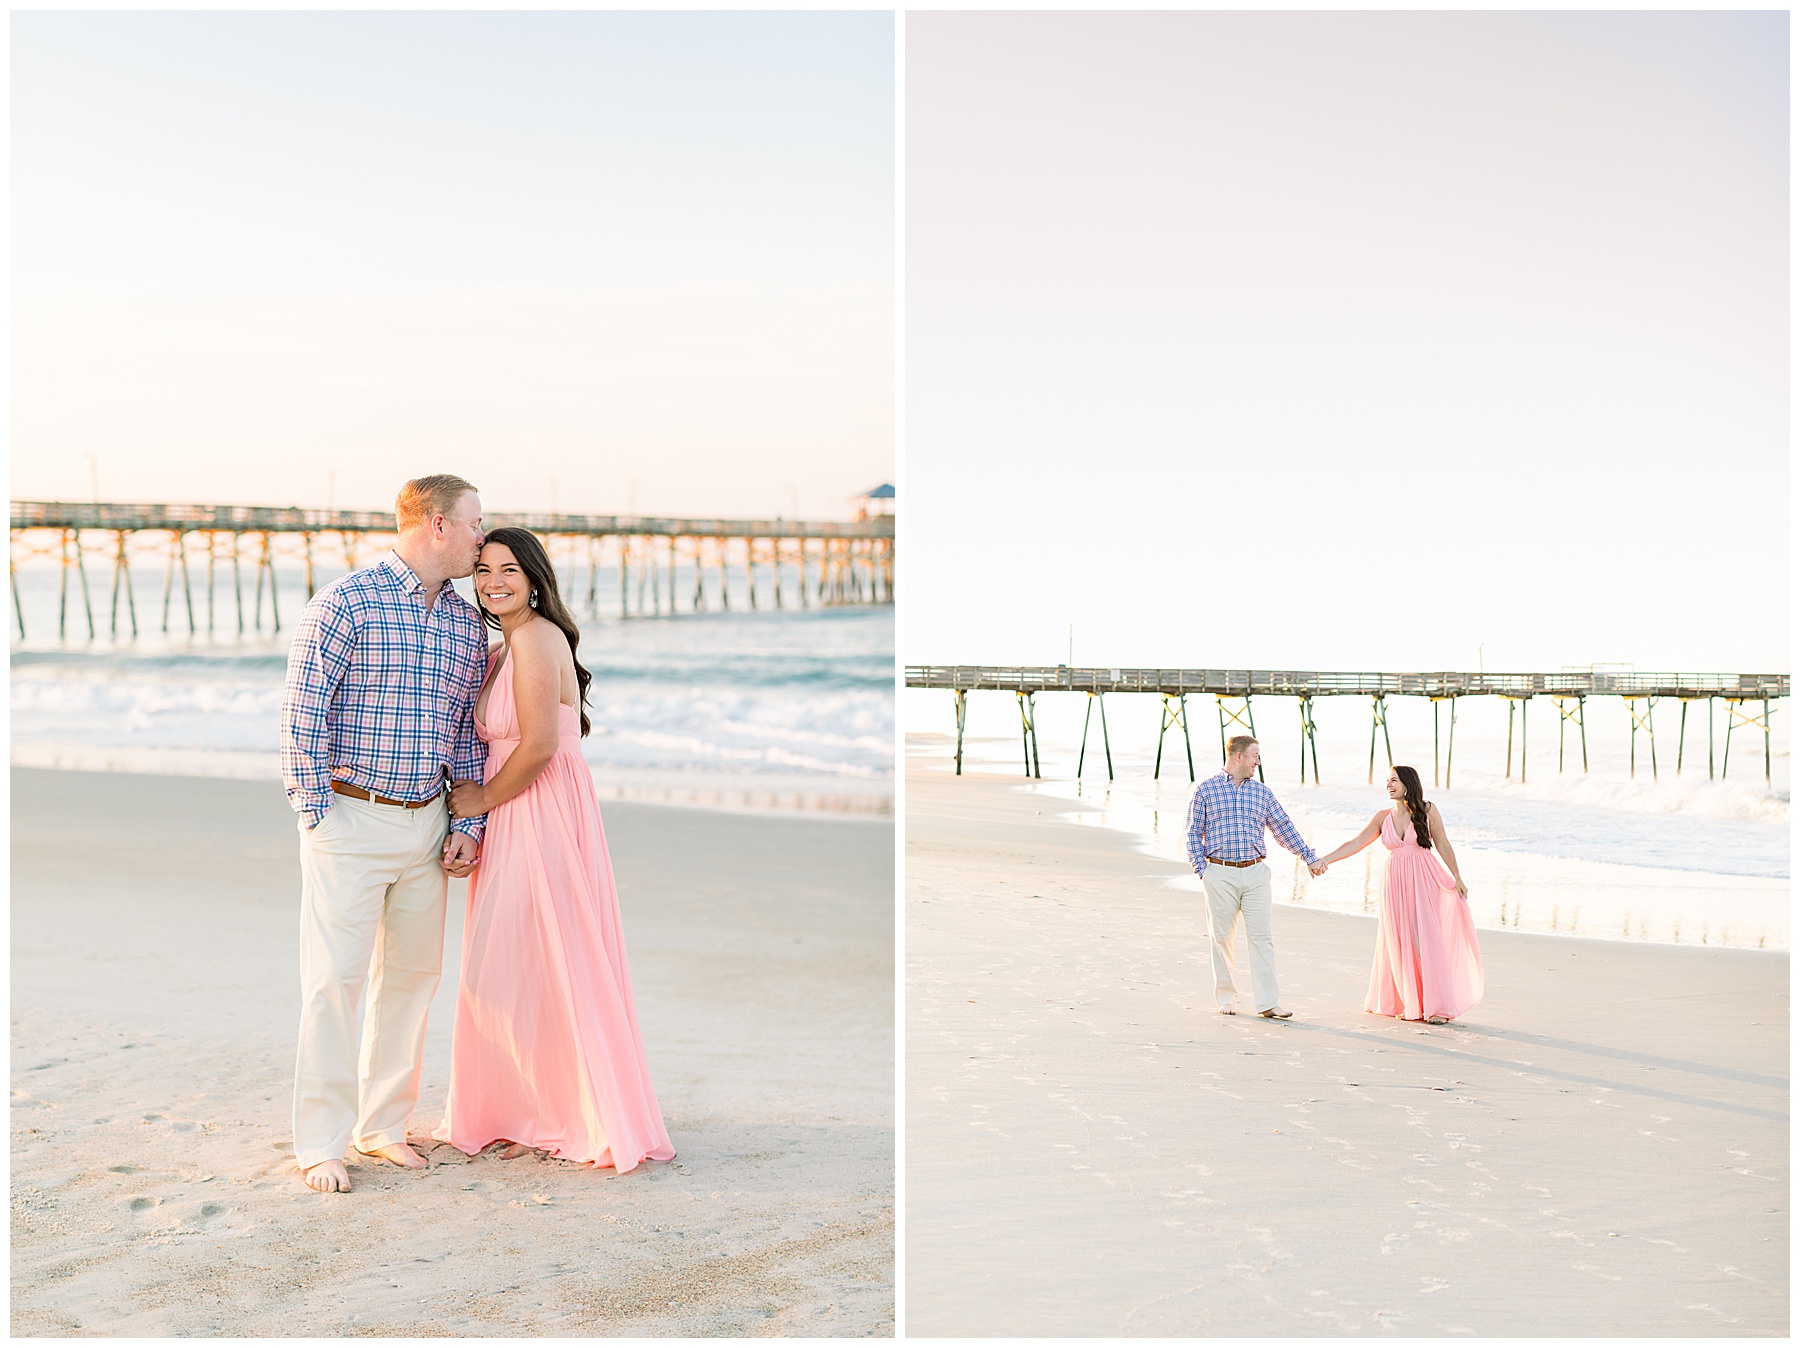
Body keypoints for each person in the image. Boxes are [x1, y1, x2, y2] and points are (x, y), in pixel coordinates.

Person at [434, 527, 675, 1172]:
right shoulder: (506, 645)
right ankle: (527, 1108)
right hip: (522, 805)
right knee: (519, 961)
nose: (493, 583)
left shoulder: (537, 638)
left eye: (509, 570)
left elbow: (539, 745)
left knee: (550, 956)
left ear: (536, 577)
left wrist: (480, 802)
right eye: (482, 571)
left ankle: (571, 1112)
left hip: (536, 806)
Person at [279, 474, 489, 1194]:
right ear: (437, 524)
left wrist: (467, 823)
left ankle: (383, 1126)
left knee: (410, 981)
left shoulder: (466, 625)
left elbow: (465, 736)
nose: (481, 538)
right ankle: (320, 1143)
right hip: (350, 815)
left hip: (427, 825)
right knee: (333, 983)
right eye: (474, 524)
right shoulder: (346, 604)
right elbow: (302, 710)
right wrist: (315, 810)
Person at [1314, 764, 1484, 1024]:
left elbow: (1443, 843)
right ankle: (1411, 1002)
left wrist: (1458, 876)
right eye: (1387, 780)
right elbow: (1356, 843)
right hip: (1394, 882)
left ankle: (1437, 1006)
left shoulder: (1427, 810)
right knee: (1399, 939)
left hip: (1425, 878)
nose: (1389, 785)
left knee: (1425, 939)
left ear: (1408, 783)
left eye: (1394, 780)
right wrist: (1325, 860)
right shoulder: (1383, 817)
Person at [1185, 735, 1326, 1019]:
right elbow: (1192, 833)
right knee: (1221, 938)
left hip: (1256, 873)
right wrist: (1203, 870)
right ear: (1238, 756)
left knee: (1262, 938)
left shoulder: (1262, 793)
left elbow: (1283, 828)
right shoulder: (1205, 790)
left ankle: (1268, 1003)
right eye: (1254, 756)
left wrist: (1308, 857)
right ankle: (1226, 998)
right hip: (1218, 872)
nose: (1257, 762)